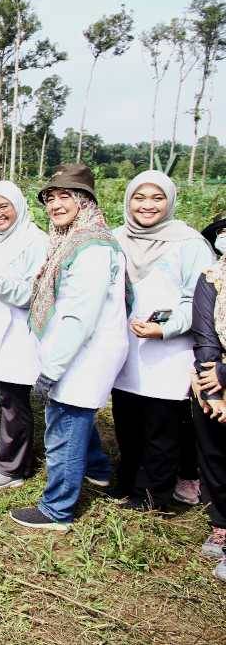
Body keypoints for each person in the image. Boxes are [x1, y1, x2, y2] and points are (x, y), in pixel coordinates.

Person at [10, 164, 128, 532]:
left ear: (85, 201)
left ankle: (56, 509)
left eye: (66, 197)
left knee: (64, 425)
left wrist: (52, 370)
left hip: (84, 353)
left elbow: (79, 316)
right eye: (51, 198)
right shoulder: (74, 240)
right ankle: (97, 469)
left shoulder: (90, 247)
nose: (56, 205)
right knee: (75, 419)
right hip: (78, 350)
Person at [110, 170, 214, 510]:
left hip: (168, 352)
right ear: (128, 201)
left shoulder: (189, 244)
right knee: (127, 420)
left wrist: (164, 328)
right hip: (126, 347)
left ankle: (154, 494)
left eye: (157, 198)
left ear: (169, 201)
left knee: (161, 426)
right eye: (139, 197)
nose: (147, 205)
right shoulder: (116, 239)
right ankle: (127, 482)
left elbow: (197, 300)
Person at [0, 181, 50, 489]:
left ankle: (14, 467)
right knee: (6, 396)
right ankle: (8, 454)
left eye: (3, 206)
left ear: (18, 204)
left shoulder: (35, 241)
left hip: (20, 333)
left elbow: (36, 293)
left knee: (15, 400)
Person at [188, 248, 226, 582]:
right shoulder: (212, 277)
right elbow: (205, 335)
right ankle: (221, 524)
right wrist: (213, 391)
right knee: (214, 455)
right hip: (212, 379)